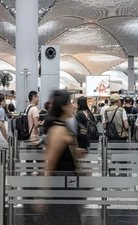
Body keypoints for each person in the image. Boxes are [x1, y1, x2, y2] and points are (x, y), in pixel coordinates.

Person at [41, 90, 86, 225]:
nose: (74, 106)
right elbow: (50, 162)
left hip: (68, 181)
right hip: (62, 183)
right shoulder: (58, 130)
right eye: (70, 103)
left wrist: (76, 151)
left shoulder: (62, 126)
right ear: (63, 107)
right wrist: (43, 193)